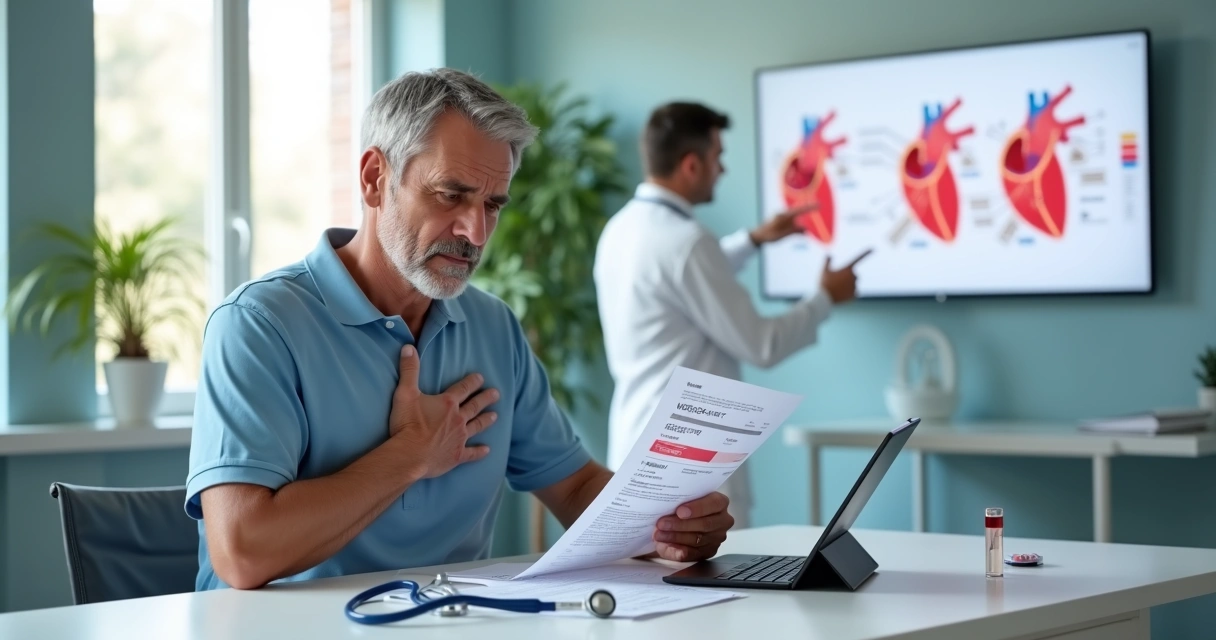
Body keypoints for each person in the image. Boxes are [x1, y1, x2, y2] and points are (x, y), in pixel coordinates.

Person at [184, 70, 734, 591]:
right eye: (450, 194)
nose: (475, 231)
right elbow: (242, 552)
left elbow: (574, 486)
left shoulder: (492, 326)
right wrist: (411, 455)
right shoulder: (258, 325)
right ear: (376, 179)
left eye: (492, 204)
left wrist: (666, 524)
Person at [593, 102, 869, 528]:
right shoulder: (687, 242)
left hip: (636, 452)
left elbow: (681, 283)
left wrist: (754, 240)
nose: (722, 169)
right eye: (717, 157)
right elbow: (763, 344)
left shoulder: (622, 229)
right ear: (691, 164)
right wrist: (826, 298)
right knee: (717, 590)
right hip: (688, 468)